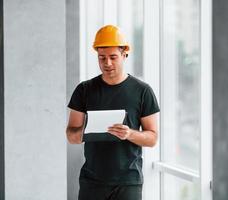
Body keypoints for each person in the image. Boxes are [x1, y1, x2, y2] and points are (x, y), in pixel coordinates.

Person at [66, 25, 160, 200]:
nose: (107, 63)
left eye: (113, 57)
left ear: (124, 55)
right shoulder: (84, 90)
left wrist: (129, 133)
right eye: (102, 58)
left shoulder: (143, 91)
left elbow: (152, 138)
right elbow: (71, 135)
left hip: (128, 183)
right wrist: (88, 131)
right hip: (92, 181)